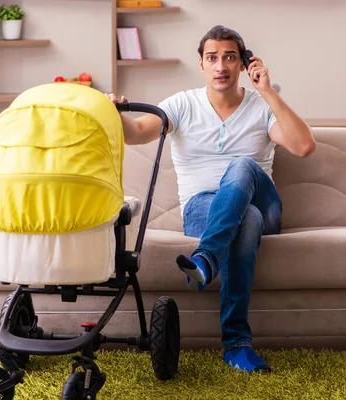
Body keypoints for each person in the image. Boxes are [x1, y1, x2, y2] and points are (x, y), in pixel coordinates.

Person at [105, 25, 316, 373]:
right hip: (203, 208)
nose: (221, 66)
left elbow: (304, 146)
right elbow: (137, 134)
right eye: (213, 58)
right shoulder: (182, 105)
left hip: (266, 207)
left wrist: (268, 92)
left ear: (244, 64)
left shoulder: (260, 107)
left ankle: (205, 258)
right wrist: (117, 113)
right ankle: (236, 346)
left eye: (230, 57)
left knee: (243, 166)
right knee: (243, 220)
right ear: (201, 64)